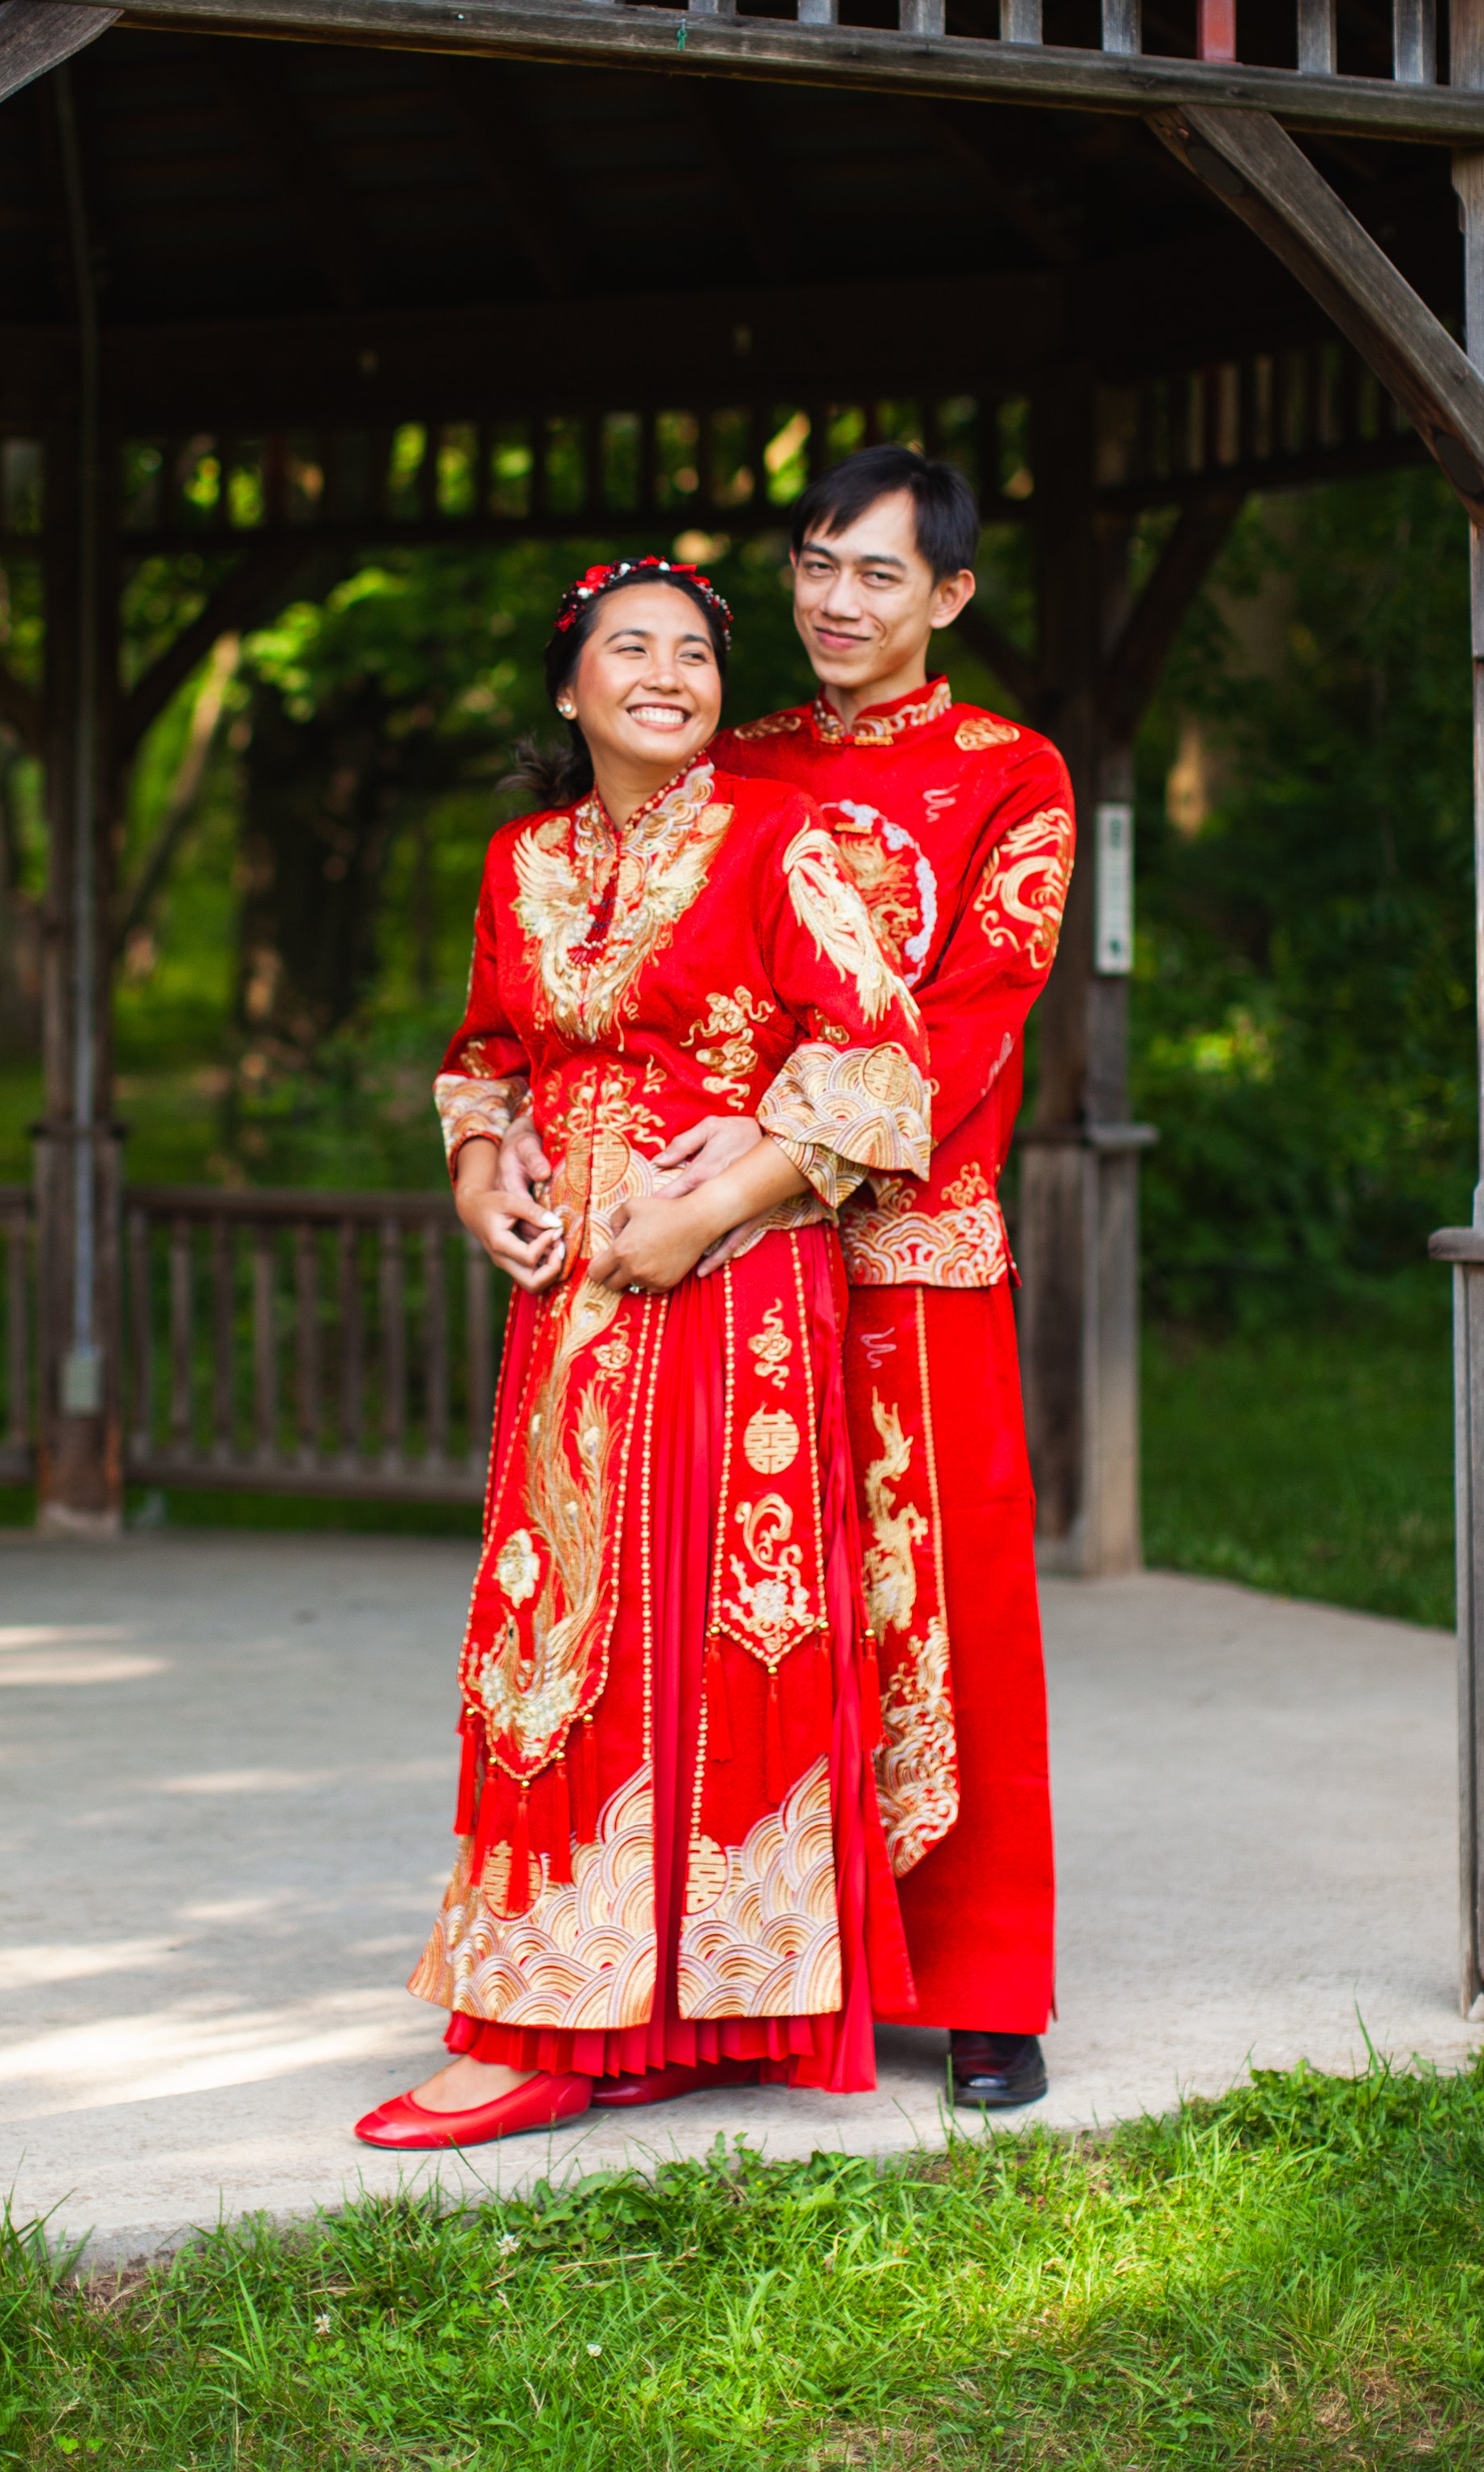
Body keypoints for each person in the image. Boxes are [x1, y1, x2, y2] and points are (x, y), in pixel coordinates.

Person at [503, 448, 1074, 2111]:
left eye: (877, 576)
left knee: (938, 1615)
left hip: (904, 1244)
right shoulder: (722, 757)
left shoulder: (1004, 775)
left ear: (947, 597)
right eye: (816, 566)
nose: (835, 602)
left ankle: (982, 1992)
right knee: (742, 1626)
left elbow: (965, 1027)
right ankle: (746, 1979)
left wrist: (771, 1171)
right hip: (717, 1287)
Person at [355, 556, 933, 2151]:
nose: (667, 672)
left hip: (735, 1295)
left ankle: (646, 2017)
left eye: (693, 650)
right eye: (631, 649)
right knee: (557, 1634)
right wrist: (482, 1177)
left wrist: (721, 1204)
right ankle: (565, 2003)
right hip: (568, 1307)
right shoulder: (517, 861)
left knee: (711, 1638)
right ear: (570, 687)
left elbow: (880, 1064)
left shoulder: (777, 838)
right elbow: (483, 1061)